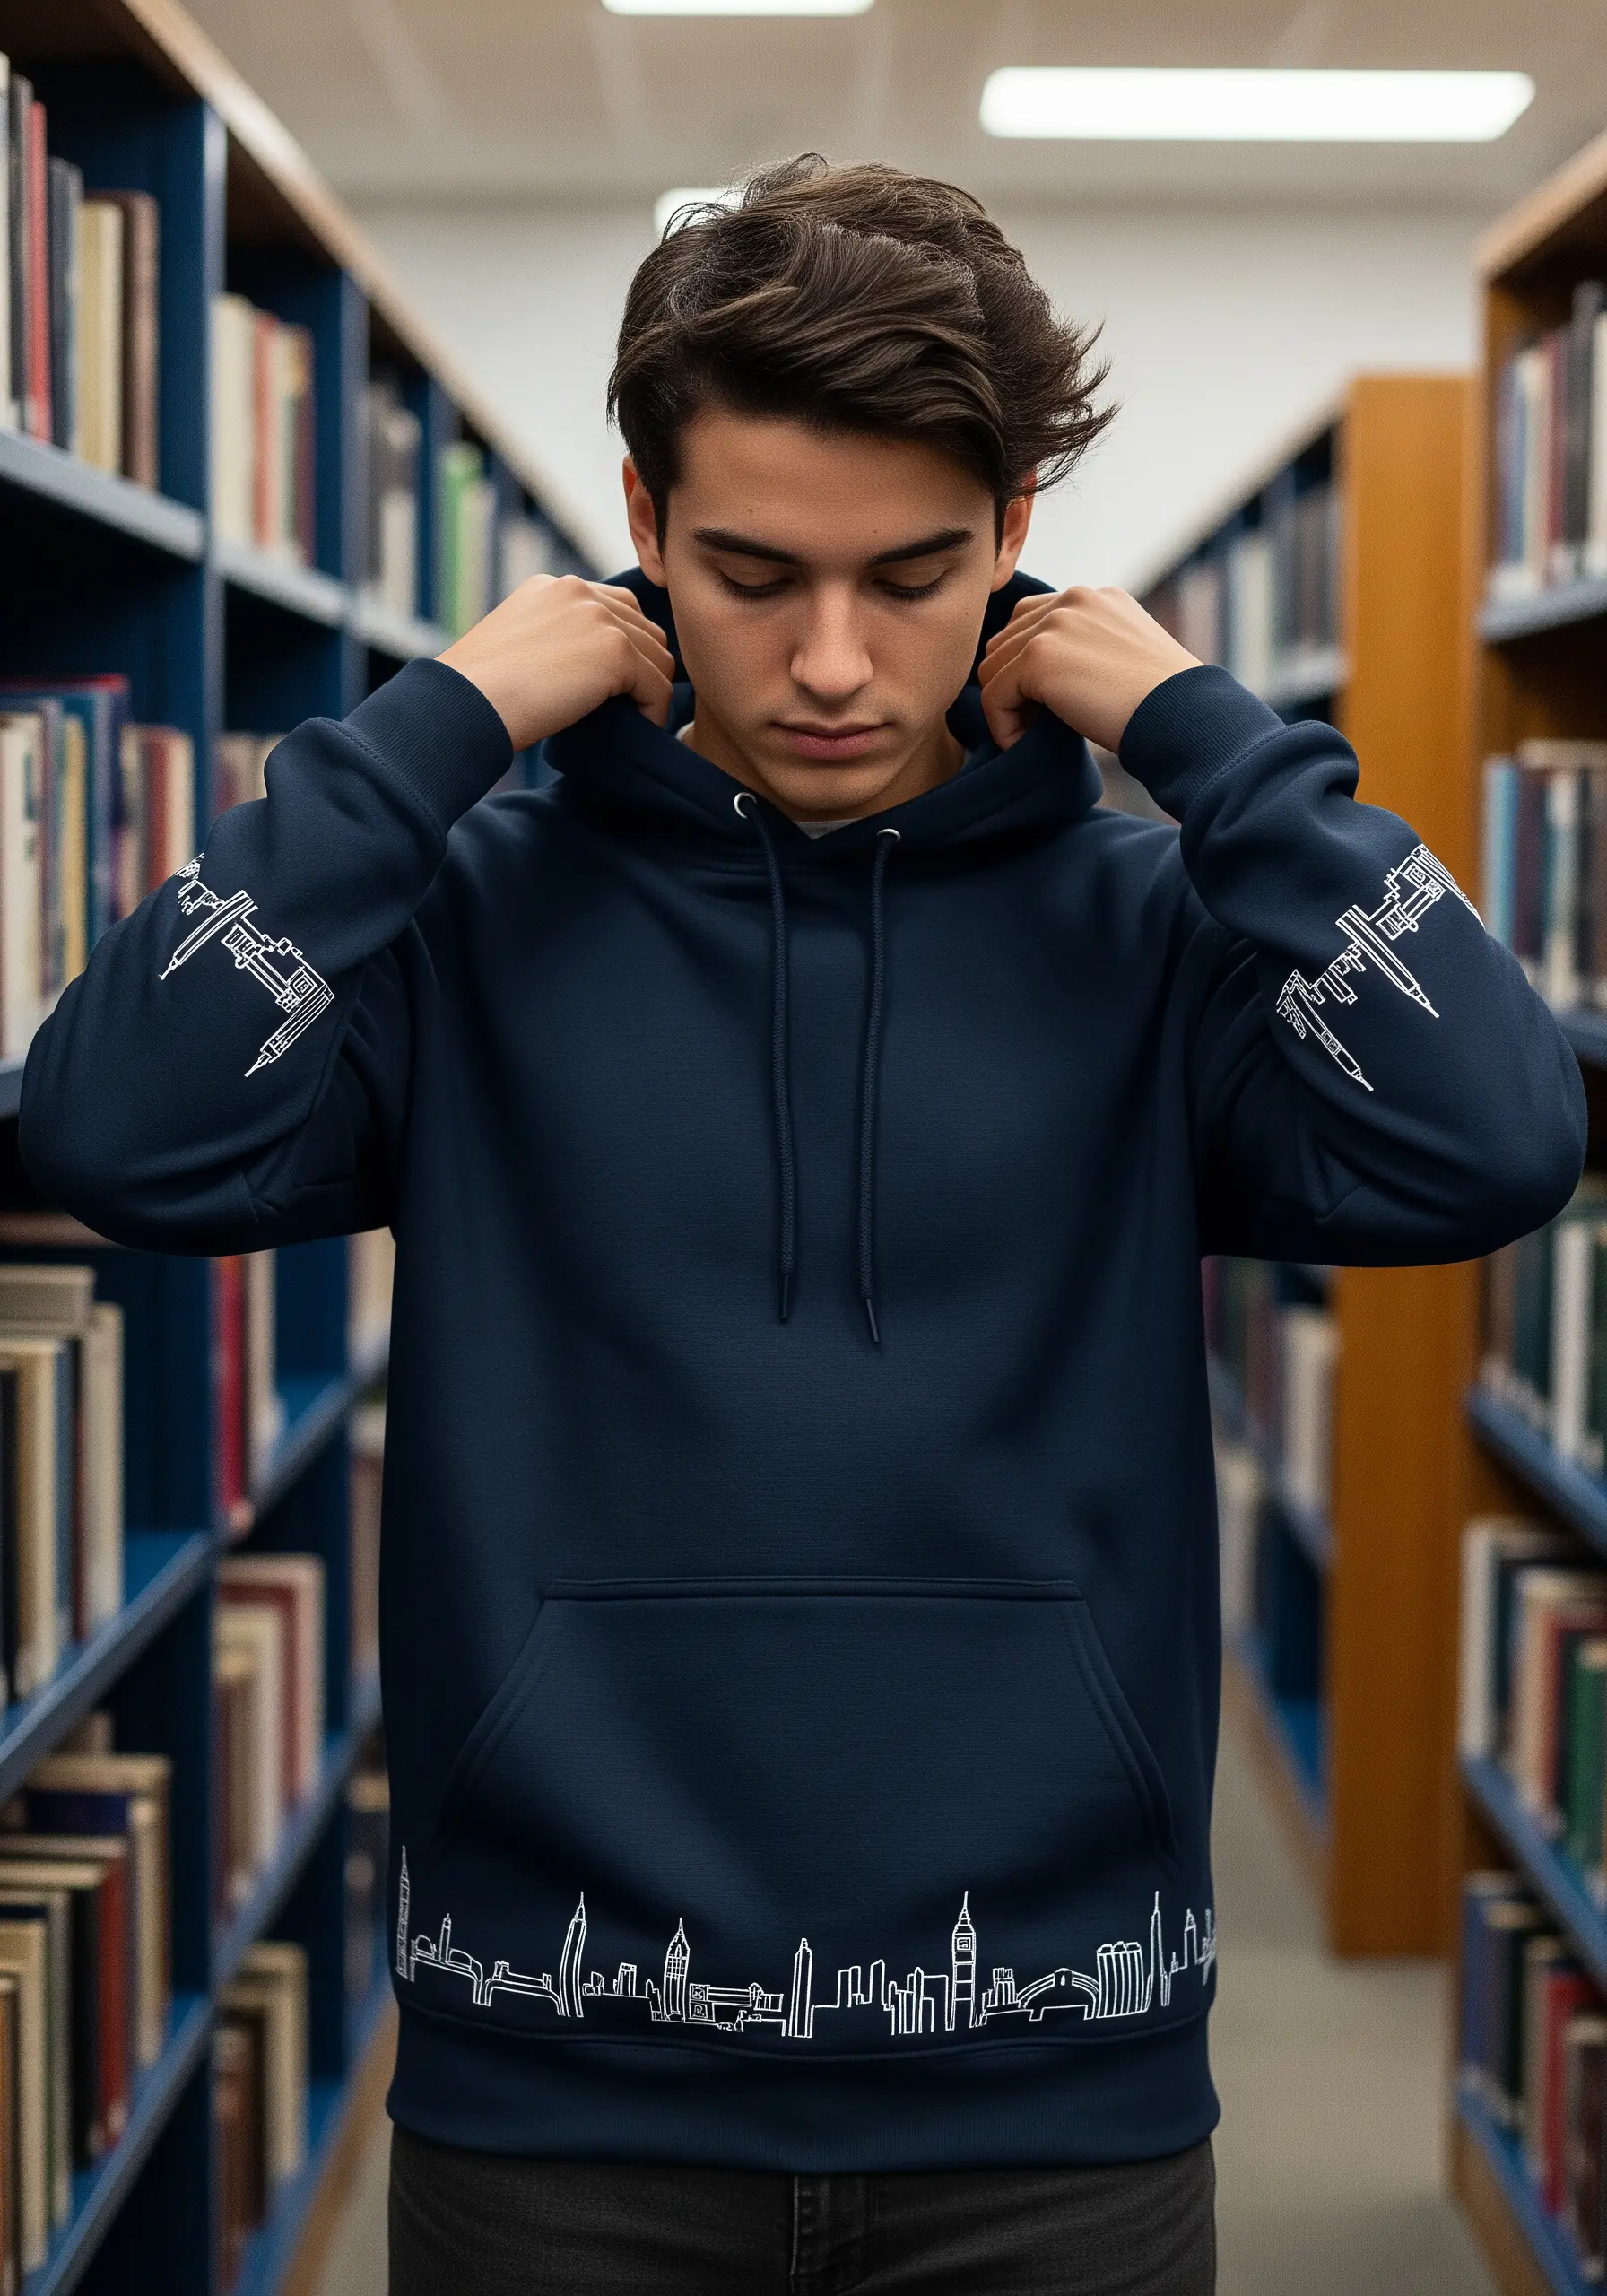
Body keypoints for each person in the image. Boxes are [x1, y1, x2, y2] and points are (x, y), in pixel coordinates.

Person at [21, 158, 1584, 2295]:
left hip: (1056, 2083)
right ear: (641, 533)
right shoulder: (462, 913)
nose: (834, 662)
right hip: (554, 2078)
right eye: (750, 572)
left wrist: (1211, 744)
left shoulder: (1159, 936)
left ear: (1018, 545)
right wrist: (434, 732)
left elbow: (1497, 1136)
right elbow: (113, 1127)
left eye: (914, 574)